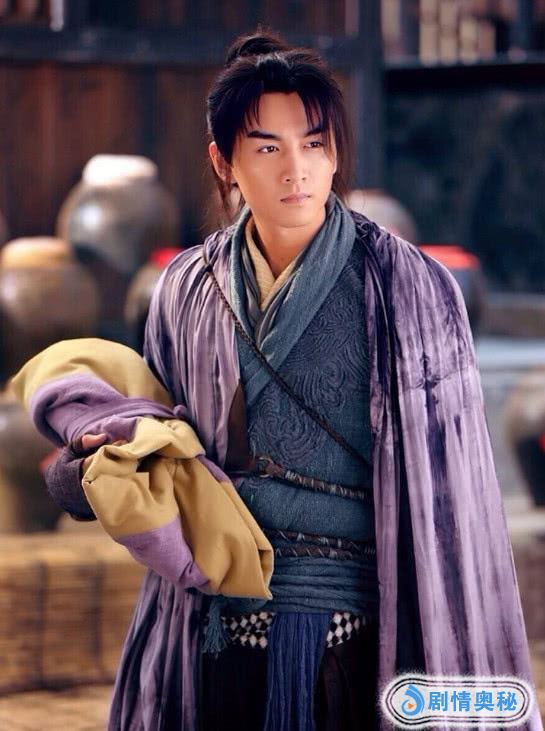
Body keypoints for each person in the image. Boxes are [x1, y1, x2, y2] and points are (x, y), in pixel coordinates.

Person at [44, 30, 541, 731]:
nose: (297, 170)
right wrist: (88, 470)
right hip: (211, 632)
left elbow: (451, 503)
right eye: (267, 148)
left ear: (335, 153)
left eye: (313, 144)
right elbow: (158, 443)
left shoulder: (407, 286)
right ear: (223, 162)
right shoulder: (185, 287)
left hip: (353, 638)